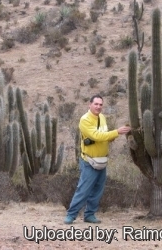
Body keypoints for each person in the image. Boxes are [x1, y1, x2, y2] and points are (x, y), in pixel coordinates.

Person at [64, 94, 131, 224]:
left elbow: (104, 135)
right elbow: (96, 135)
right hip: (89, 161)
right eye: (96, 104)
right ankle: (71, 215)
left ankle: (89, 215)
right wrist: (116, 132)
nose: (98, 107)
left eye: (101, 104)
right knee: (83, 189)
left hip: (102, 161)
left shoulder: (102, 118)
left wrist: (111, 136)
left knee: (97, 190)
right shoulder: (85, 120)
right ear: (89, 104)